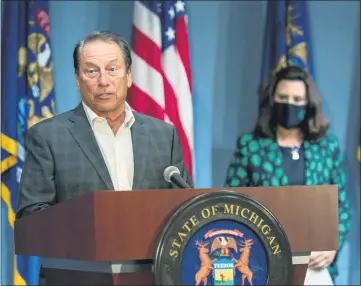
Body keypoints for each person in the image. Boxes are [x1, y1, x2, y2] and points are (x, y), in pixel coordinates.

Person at [16, 30, 193, 219]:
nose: (103, 81)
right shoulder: (48, 137)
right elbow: (31, 215)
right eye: (92, 71)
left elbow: (186, 207)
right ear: (77, 80)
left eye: (112, 69)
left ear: (129, 75)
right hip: (81, 248)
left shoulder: (164, 136)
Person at [224, 66, 352, 284]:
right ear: (272, 100)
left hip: (314, 261)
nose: (289, 104)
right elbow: (231, 203)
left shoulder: (326, 147)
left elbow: (340, 205)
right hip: (263, 259)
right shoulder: (250, 146)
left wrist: (332, 246)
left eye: (297, 98)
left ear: (308, 104)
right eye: (283, 97)